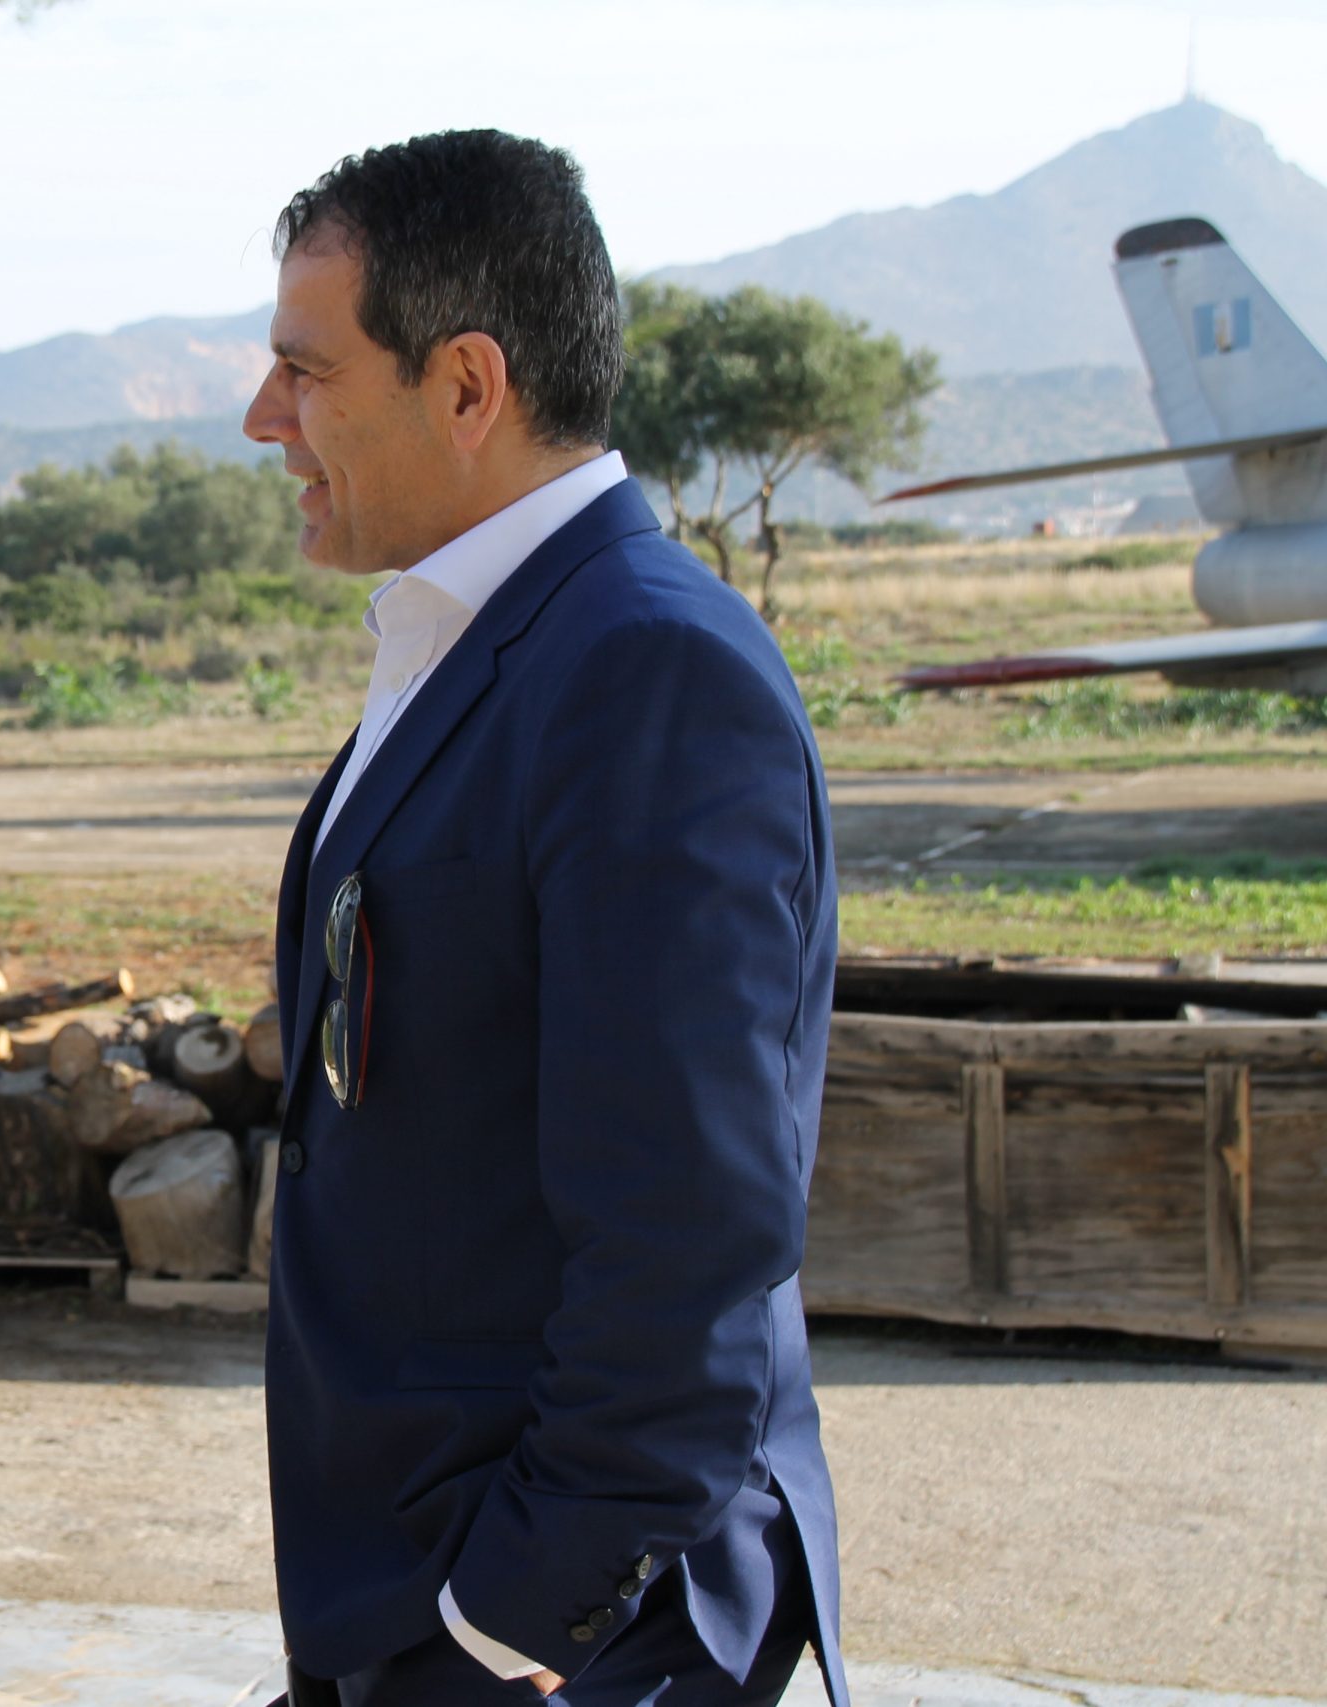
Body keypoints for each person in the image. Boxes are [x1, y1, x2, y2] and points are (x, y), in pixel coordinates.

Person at [242, 132, 849, 1707]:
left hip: (567, 1632)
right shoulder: (491, 638)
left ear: (465, 386)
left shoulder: (645, 667)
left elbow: (690, 1233)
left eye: (306, 370)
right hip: (424, 1598)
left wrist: (513, 1622)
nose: (264, 418)